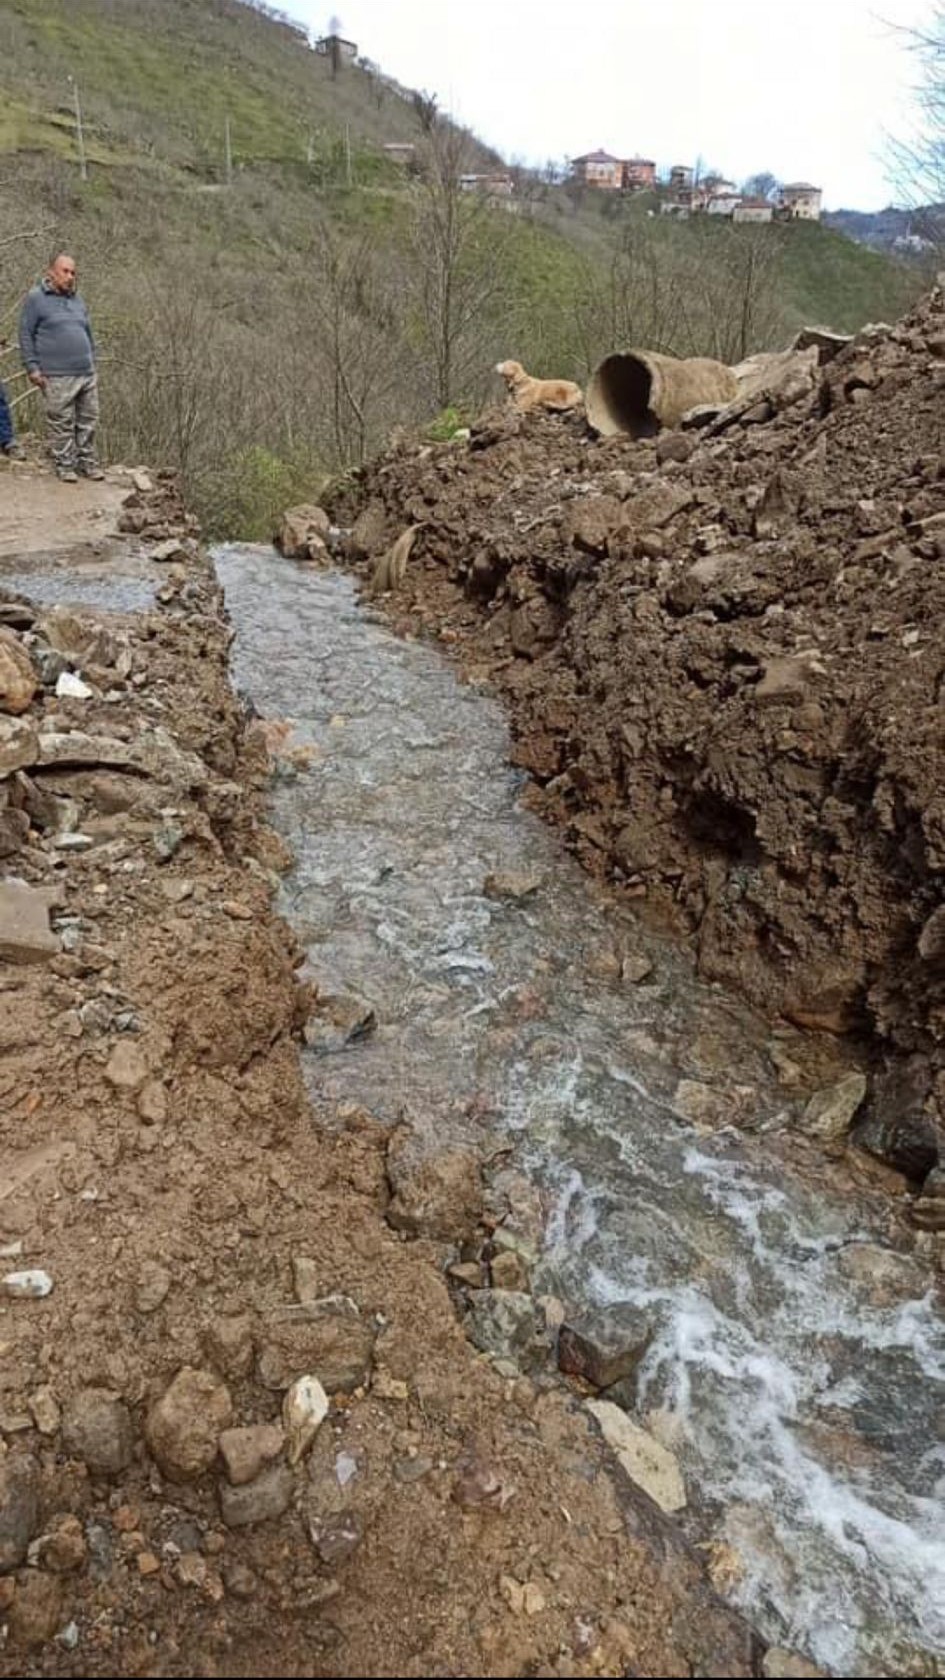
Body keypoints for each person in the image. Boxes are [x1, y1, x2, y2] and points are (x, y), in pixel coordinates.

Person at [18, 252, 103, 483]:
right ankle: (65, 464)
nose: (70, 276)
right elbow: (25, 334)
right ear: (51, 272)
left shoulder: (78, 300)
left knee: (89, 420)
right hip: (56, 374)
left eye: (73, 272)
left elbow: (87, 331)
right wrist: (32, 367)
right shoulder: (36, 299)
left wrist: (93, 359)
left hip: (86, 372)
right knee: (61, 421)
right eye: (65, 271)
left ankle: (87, 463)